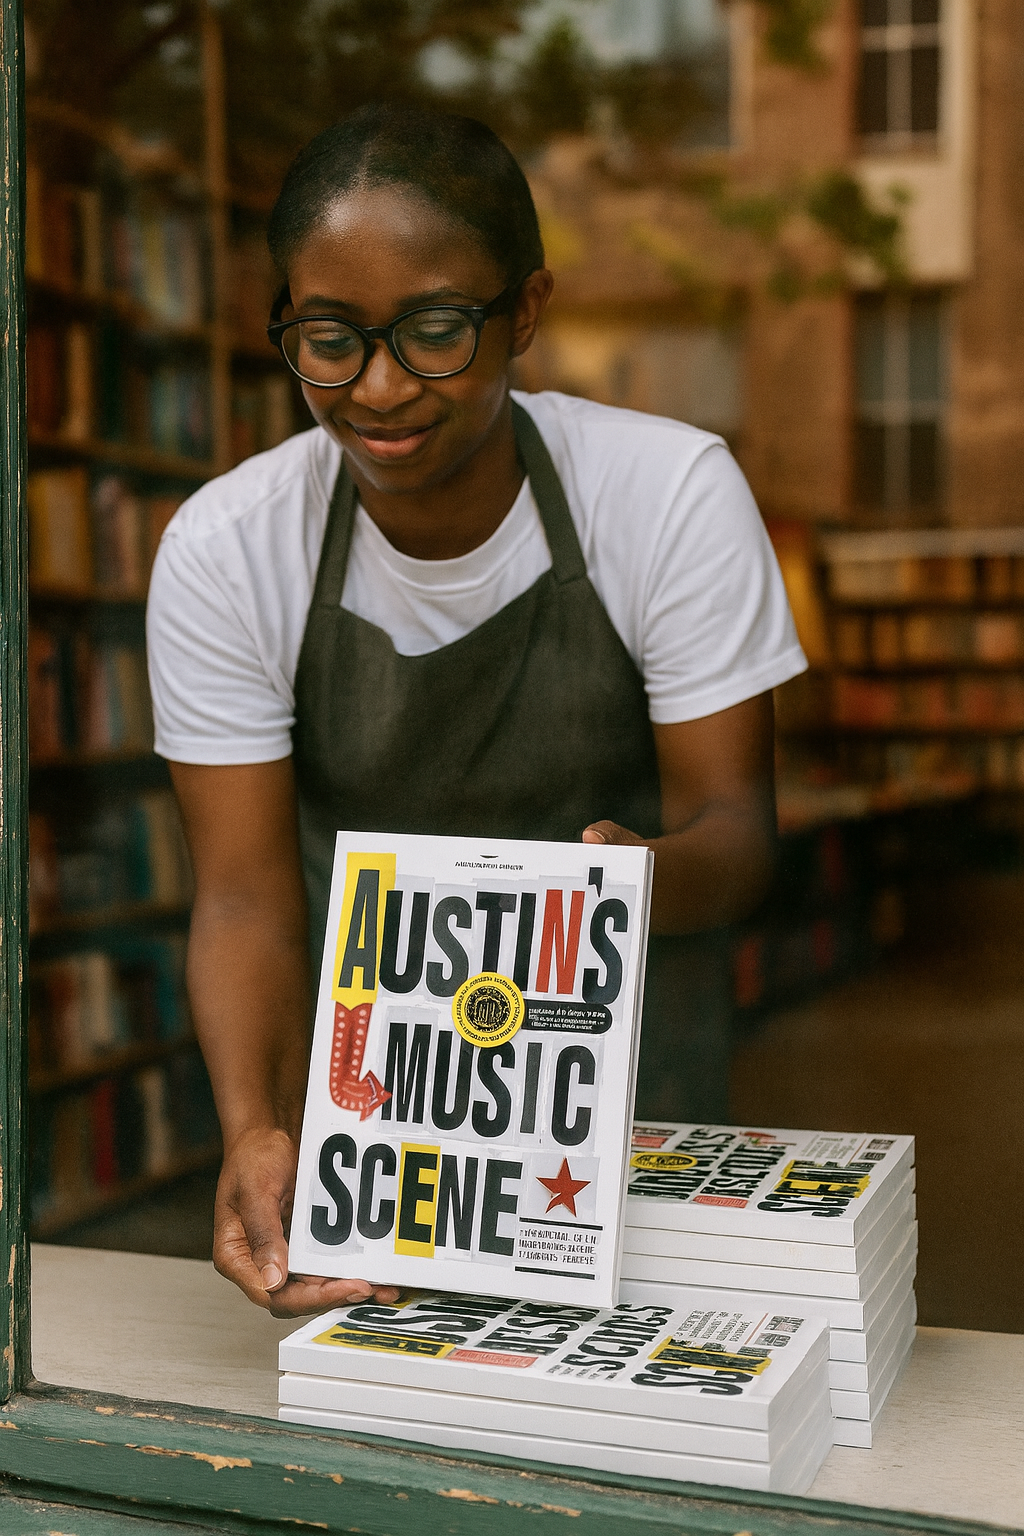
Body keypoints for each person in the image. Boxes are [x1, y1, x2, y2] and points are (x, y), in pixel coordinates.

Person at [147, 104, 807, 1318]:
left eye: (437, 331)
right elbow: (243, 894)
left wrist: (624, 883)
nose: (381, 389)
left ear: (528, 312)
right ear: (283, 327)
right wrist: (257, 1124)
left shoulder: (663, 495)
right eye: (330, 340)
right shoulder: (228, 549)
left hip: (624, 1101)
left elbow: (739, 832)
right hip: (377, 1130)